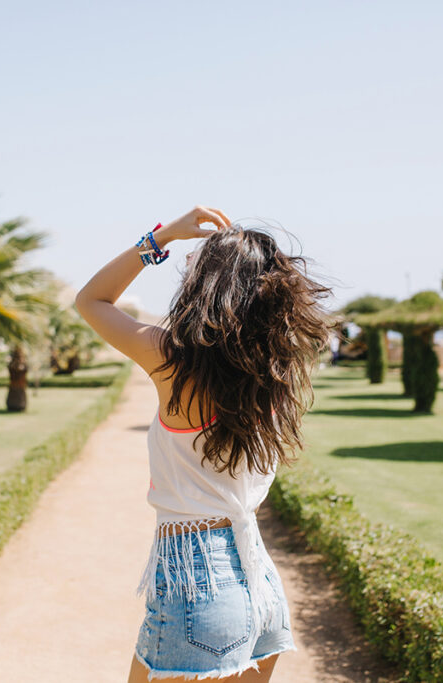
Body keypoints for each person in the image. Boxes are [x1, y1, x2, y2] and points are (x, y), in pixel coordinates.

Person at [75, 206, 335, 682]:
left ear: (206, 288)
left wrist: (163, 236)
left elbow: (92, 300)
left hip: (196, 581)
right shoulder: (272, 375)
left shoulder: (174, 361)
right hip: (259, 579)